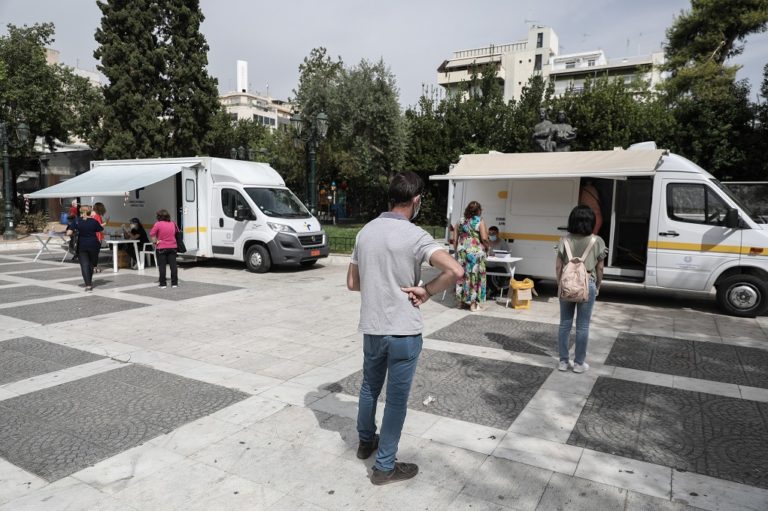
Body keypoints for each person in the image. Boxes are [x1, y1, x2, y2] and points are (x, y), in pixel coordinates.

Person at [347, 171, 462, 486]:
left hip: (372, 328)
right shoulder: (416, 235)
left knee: (369, 387)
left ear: (390, 197)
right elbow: (455, 270)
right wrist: (426, 289)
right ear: (416, 200)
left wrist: (378, 284)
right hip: (404, 332)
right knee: (395, 401)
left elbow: (352, 283)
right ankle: (384, 467)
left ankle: (365, 441)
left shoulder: (365, 233)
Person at [555, 205, 606, 373]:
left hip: (567, 285)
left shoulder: (564, 240)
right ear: (591, 221)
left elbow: (558, 266)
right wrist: (598, 285)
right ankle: (578, 364)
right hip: (587, 285)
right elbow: (600, 268)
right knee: (583, 326)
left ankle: (563, 362)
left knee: (564, 324)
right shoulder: (597, 241)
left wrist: (559, 284)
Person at [454, 201, 490, 312]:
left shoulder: (460, 221)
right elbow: (484, 238)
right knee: (474, 277)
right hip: (475, 252)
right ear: (479, 210)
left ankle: (461, 302)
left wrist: (457, 250)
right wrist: (488, 247)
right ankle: (473, 304)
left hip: (462, 251)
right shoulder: (480, 221)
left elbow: (455, 239)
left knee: (462, 276)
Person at [66, 205, 103, 292]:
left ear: (81, 212)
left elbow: (68, 233)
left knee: (84, 265)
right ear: (90, 212)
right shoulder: (94, 221)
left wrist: (75, 232)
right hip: (94, 245)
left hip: (82, 245)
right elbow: (100, 229)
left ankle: (88, 285)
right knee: (91, 264)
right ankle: (89, 282)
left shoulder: (77, 221)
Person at [149, 209, 179, 289]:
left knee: (162, 267)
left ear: (159, 216)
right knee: (173, 266)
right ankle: (174, 283)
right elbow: (176, 232)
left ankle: (163, 284)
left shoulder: (158, 224)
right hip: (173, 247)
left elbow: (152, 234)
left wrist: (156, 242)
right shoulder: (173, 223)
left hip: (161, 247)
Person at [91, 202, 109, 273]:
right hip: (97, 237)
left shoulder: (92, 214)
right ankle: (94, 267)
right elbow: (98, 226)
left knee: (92, 253)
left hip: (92, 236)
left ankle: (92, 267)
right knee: (95, 253)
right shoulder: (97, 216)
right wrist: (106, 223)